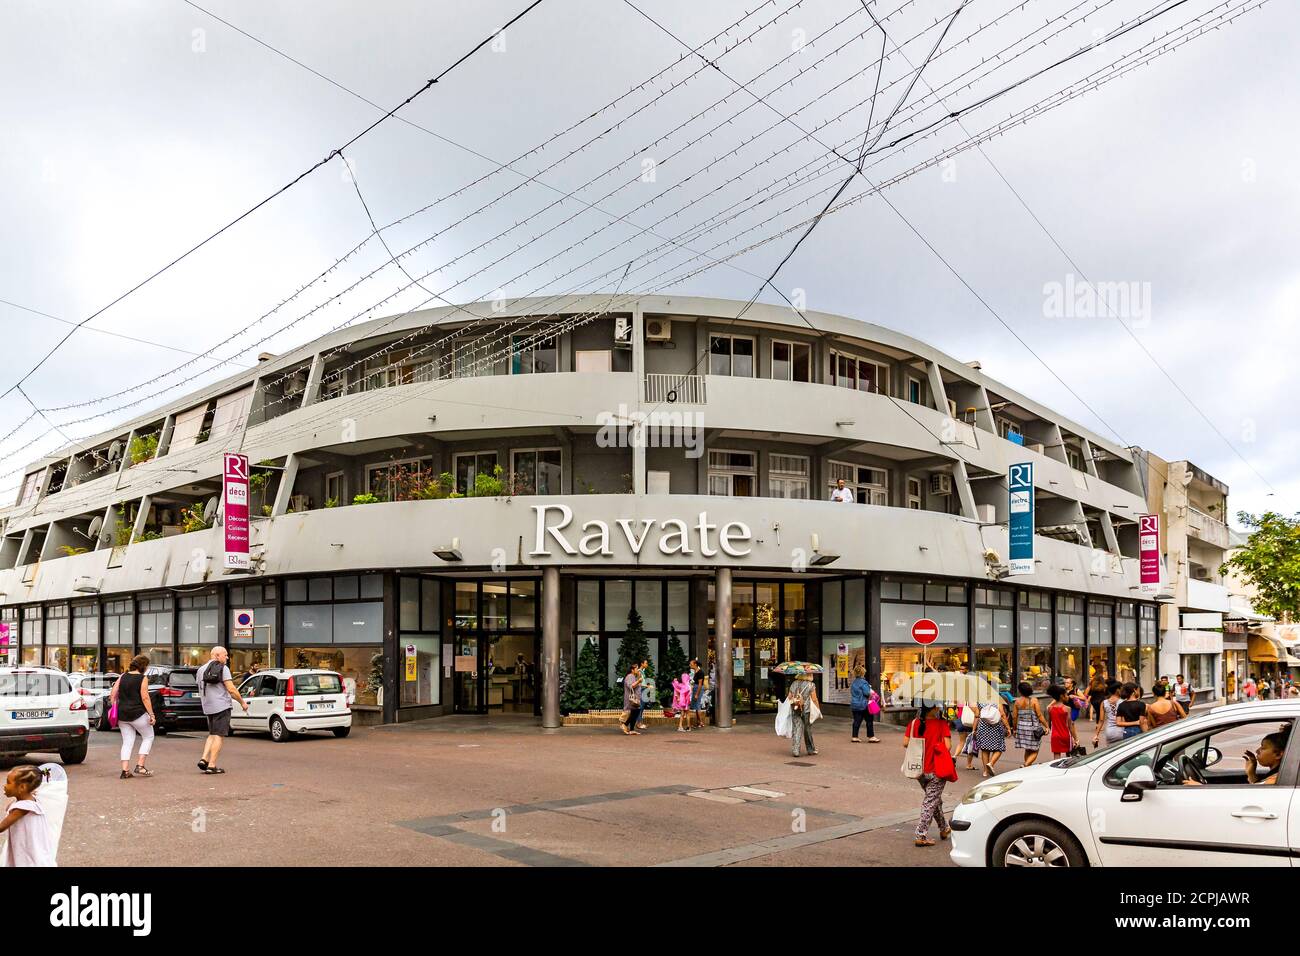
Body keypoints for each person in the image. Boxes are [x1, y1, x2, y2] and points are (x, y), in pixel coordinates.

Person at [905, 703, 958, 847]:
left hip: (920, 770)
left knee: (935, 800)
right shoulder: (941, 724)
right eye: (938, 706)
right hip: (936, 770)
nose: (940, 709)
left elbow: (905, 743)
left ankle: (944, 828)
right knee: (930, 801)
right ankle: (920, 835)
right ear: (934, 708)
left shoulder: (914, 723)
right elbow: (947, 746)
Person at [196, 646, 249, 774]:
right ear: (217, 655)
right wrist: (242, 702)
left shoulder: (200, 670)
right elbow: (231, 689)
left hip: (207, 706)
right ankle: (212, 765)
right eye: (225, 655)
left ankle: (204, 759)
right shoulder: (223, 668)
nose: (227, 657)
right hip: (221, 706)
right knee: (219, 735)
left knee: (212, 734)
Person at [110, 654, 156, 779]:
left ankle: (125, 770)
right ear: (143, 666)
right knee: (148, 736)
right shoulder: (143, 678)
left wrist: (116, 706)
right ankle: (140, 765)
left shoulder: (123, 676)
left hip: (122, 714)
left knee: (127, 741)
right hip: (138, 713)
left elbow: (113, 694)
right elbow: (145, 697)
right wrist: (151, 714)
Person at [0, 765, 55, 866]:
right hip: (31, 850)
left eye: (8, 782)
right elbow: (10, 807)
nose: (5, 786)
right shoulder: (31, 800)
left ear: (22, 787)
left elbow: (1, 827)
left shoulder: (22, 808)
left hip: (28, 854)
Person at [1012, 682, 1048, 766]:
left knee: (1028, 749)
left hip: (1021, 727)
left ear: (1020, 691)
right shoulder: (1034, 700)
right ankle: (1025, 765)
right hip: (1033, 728)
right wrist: (1046, 726)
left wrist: (1014, 729)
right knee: (1035, 749)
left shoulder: (1017, 702)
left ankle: (1027, 767)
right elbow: (1039, 715)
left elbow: (1014, 717)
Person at [974, 695, 1011, 777]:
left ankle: (985, 772)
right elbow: (1002, 715)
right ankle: (991, 763)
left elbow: (977, 715)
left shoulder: (979, 701)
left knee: (984, 749)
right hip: (996, 727)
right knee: (999, 747)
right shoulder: (997, 701)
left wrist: (974, 729)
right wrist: (1008, 727)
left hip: (983, 727)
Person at [786, 673, 820, 758]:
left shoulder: (794, 683)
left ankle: (796, 750)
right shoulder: (811, 685)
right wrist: (818, 709)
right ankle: (810, 749)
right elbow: (814, 698)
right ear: (807, 675)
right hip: (807, 710)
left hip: (795, 708)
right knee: (807, 728)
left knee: (797, 728)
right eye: (811, 674)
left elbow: (789, 697)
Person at [1091, 680, 1125, 748]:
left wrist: (1096, 735)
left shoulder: (1104, 703)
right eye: (1121, 689)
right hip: (1121, 731)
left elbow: (1101, 721)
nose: (1123, 691)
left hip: (1109, 732)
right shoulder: (1123, 702)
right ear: (1117, 690)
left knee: (1110, 752)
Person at [1047, 685, 1078, 758]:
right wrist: (1076, 739)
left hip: (1055, 736)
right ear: (1061, 696)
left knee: (1056, 756)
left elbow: (1049, 724)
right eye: (1066, 695)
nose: (1067, 696)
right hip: (1065, 735)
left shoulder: (1050, 709)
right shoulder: (1067, 709)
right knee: (1069, 756)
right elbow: (1070, 725)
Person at [849, 666, 879, 743]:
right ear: (863, 673)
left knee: (856, 721)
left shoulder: (854, 682)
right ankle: (871, 736)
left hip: (854, 704)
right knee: (869, 720)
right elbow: (867, 693)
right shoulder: (863, 682)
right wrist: (870, 690)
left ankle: (854, 737)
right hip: (863, 704)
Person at [620, 662, 642, 736]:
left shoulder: (633, 676)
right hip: (631, 699)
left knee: (635, 712)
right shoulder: (630, 676)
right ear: (632, 670)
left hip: (634, 698)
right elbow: (631, 686)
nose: (638, 670)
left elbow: (637, 685)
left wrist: (638, 679)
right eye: (636, 668)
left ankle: (631, 729)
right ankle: (625, 725)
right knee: (635, 711)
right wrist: (638, 681)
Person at [637, 658, 655, 730]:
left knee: (642, 707)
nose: (647, 664)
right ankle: (639, 723)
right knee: (640, 707)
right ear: (642, 664)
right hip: (641, 690)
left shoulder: (642, 671)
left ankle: (640, 723)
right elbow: (639, 683)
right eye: (646, 663)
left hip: (643, 690)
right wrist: (648, 686)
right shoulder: (639, 672)